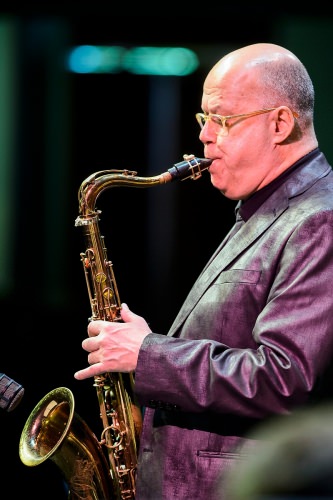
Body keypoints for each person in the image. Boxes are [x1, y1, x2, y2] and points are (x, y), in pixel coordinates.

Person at [74, 42, 333, 499]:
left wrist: (150, 355)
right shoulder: (261, 210)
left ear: (280, 123)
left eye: (223, 120)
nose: (205, 136)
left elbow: (283, 377)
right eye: (203, 119)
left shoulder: (318, 219)